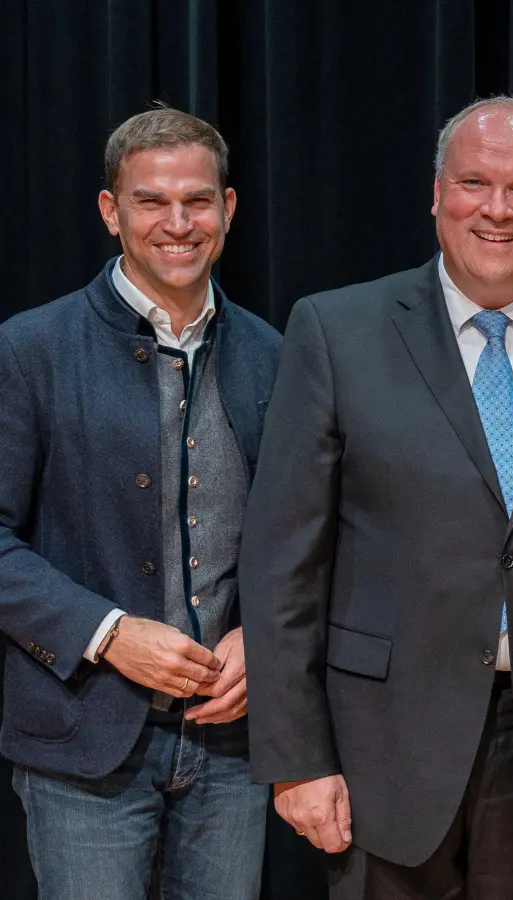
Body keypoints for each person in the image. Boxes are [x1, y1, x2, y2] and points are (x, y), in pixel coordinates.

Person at [238, 95, 513, 900]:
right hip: (381, 752)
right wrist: (299, 757)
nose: (498, 210)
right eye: (475, 182)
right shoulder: (336, 331)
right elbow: (282, 566)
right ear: (437, 193)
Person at [0, 106, 280, 900]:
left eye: (198, 200)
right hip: (82, 742)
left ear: (228, 209)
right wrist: (108, 634)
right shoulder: (30, 349)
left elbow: (307, 537)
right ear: (110, 211)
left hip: (235, 748)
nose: (178, 223)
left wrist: (261, 636)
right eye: (152, 201)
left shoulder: (277, 355)